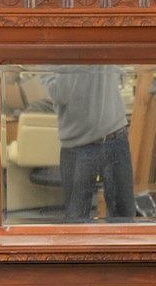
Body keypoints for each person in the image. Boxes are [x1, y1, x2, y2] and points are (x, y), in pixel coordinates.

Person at [41, 65, 136, 221]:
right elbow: (61, 95)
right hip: (76, 144)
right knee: (76, 220)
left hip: (114, 135)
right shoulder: (47, 52)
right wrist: (72, 55)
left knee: (124, 216)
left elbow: (123, 64)